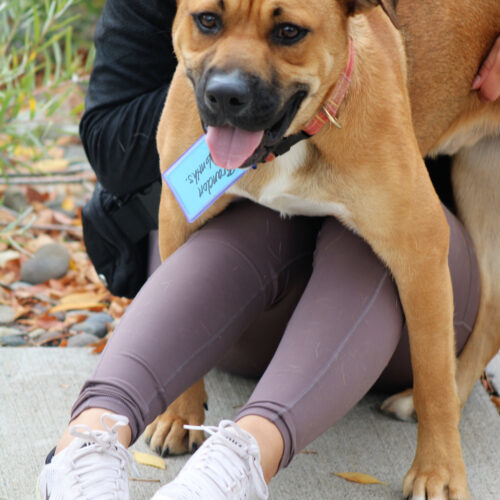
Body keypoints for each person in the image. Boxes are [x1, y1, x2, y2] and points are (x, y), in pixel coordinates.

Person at [37, 1, 499, 498]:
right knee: (246, 232)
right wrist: (183, 398)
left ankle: (234, 468)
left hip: (390, 330)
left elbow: (423, 251)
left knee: (376, 250)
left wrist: (440, 445)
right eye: (209, 22)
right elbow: (153, 186)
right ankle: (83, 451)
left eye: (287, 33)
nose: (232, 77)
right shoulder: (195, 102)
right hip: (247, 297)